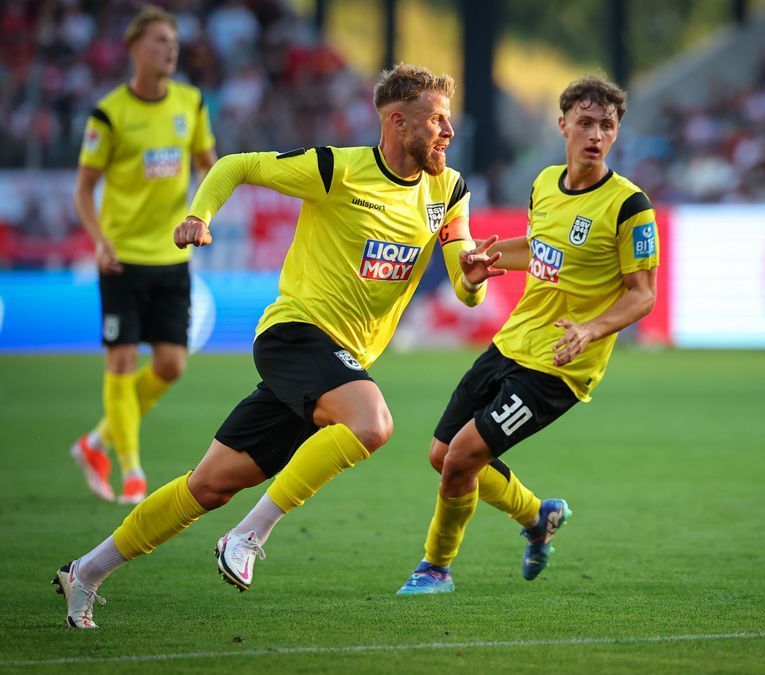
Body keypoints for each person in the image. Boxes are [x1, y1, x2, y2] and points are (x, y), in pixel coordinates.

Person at [53, 63, 505, 628]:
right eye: (437, 119)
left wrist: (473, 275)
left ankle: (86, 572)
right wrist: (199, 214)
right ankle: (248, 535)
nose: (448, 132)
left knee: (209, 485)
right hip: (295, 335)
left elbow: (461, 285)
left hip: (339, 364)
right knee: (373, 424)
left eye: (449, 121)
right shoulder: (334, 169)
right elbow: (236, 164)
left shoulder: (450, 188)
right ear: (396, 120)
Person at [396, 75, 659, 595]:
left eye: (607, 125)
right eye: (585, 122)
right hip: (511, 342)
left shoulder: (630, 206)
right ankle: (538, 517)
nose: (596, 135)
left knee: (462, 459)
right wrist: (484, 259)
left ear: (617, 133)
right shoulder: (544, 183)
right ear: (562, 125)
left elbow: (643, 293)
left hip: (559, 366)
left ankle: (435, 568)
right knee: (440, 453)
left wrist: (591, 328)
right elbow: (542, 250)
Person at [70, 4, 218, 505]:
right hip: (122, 259)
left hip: (172, 257)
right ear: (134, 48)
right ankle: (131, 471)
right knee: (123, 359)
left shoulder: (191, 103)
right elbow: (83, 189)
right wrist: (99, 239)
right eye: (159, 40)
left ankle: (96, 442)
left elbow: (208, 166)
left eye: (173, 41)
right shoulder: (109, 113)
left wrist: (203, 214)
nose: (170, 48)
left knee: (172, 365)